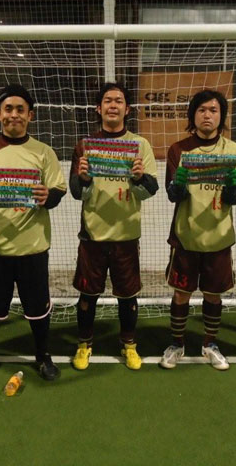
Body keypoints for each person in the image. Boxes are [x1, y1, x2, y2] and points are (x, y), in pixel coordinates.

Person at [0, 84, 66, 381]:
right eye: (8, 109)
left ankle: (42, 356)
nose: (14, 114)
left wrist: (48, 195)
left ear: (30, 115)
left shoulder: (44, 152)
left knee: (37, 308)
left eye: (21, 109)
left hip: (33, 246)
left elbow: (57, 192)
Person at [70, 82, 158, 371]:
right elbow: (76, 192)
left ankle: (129, 345)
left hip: (126, 235)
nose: (113, 105)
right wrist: (83, 179)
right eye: (107, 100)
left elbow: (151, 190)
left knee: (128, 296)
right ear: (98, 108)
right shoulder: (85, 145)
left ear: (127, 109)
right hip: (92, 235)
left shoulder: (140, 145)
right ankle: (84, 345)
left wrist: (139, 178)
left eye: (119, 101)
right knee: (87, 296)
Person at [159, 89, 236, 370]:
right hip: (185, 236)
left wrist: (232, 188)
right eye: (201, 110)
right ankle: (177, 344)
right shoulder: (178, 149)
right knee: (180, 293)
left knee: (213, 294)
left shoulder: (235, 151)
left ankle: (210, 344)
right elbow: (172, 195)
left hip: (219, 237)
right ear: (193, 115)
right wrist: (179, 185)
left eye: (213, 110)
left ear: (222, 116)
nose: (207, 115)